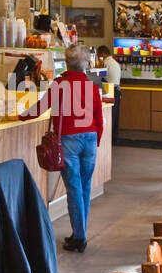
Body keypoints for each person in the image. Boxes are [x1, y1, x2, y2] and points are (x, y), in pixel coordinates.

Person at [21, 44, 103, 252]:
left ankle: (80, 236)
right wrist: (96, 140)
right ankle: (79, 233)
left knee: (74, 187)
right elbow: (99, 119)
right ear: (86, 64)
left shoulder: (60, 85)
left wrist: (21, 116)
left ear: (66, 63)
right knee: (84, 186)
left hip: (69, 139)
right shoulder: (92, 86)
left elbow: (40, 108)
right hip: (90, 138)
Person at [96, 45, 122, 145]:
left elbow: (100, 77)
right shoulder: (115, 62)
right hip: (117, 90)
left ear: (103, 54)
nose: (99, 57)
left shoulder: (105, 63)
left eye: (99, 55)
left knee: (110, 116)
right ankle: (115, 138)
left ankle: (109, 139)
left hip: (111, 91)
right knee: (115, 116)